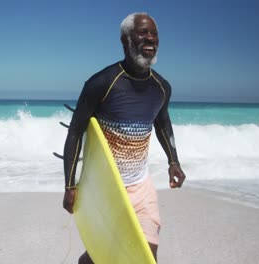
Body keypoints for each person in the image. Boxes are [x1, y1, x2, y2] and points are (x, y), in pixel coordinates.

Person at [62, 12, 186, 263]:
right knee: (102, 253)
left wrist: (174, 161)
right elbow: (75, 131)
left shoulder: (162, 87)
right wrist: (70, 185)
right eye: (142, 32)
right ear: (125, 40)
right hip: (106, 186)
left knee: (145, 253)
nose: (150, 38)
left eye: (154, 33)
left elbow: (162, 122)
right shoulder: (102, 83)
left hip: (141, 185)